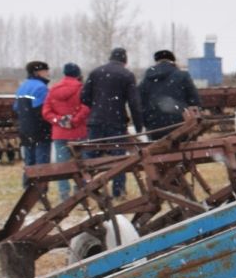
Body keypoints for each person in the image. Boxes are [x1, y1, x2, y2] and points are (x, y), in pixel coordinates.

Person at [80, 47, 144, 197]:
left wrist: (96, 108)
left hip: (95, 122)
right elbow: (134, 102)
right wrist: (139, 125)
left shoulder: (96, 72)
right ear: (125, 60)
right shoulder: (127, 75)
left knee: (90, 157)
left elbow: (83, 97)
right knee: (119, 159)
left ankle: (87, 190)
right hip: (116, 122)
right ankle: (118, 191)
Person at [41, 61, 88, 202]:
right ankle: (82, 191)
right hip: (79, 132)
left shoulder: (53, 89)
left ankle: (64, 194)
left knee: (62, 165)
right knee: (82, 164)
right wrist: (74, 121)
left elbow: (46, 111)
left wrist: (59, 120)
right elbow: (86, 108)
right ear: (78, 74)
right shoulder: (82, 88)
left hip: (60, 133)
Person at [139, 48, 200, 135]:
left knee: (157, 147)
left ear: (156, 62)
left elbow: (139, 102)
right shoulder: (182, 76)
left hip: (154, 126)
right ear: (173, 61)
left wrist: (146, 121)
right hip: (179, 125)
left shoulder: (146, 79)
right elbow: (195, 101)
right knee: (181, 147)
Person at [13, 61, 52, 169]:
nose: (48, 73)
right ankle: (41, 184)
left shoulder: (22, 87)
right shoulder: (41, 88)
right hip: (40, 130)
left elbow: (16, 108)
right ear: (37, 72)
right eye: (45, 70)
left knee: (29, 163)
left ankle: (28, 185)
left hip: (25, 129)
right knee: (42, 163)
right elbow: (42, 110)